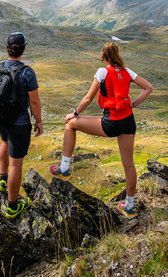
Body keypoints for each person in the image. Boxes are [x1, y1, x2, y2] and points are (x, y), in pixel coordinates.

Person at [50, 41, 153, 218]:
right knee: (129, 165)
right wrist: (135, 103)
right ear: (118, 54)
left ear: (104, 56)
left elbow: (88, 98)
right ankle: (130, 206)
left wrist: (73, 113)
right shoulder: (127, 71)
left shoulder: (103, 72)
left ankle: (64, 169)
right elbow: (148, 87)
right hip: (128, 121)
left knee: (71, 124)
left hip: (111, 123)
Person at [0, 32, 43, 219]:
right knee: (16, 163)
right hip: (19, 123)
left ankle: (2, 180)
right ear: (24, 48)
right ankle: (13, 205)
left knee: (4, 142)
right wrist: (38, 121)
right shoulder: (27, 72)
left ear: (6, 48)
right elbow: (35, 102)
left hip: (1, 119)